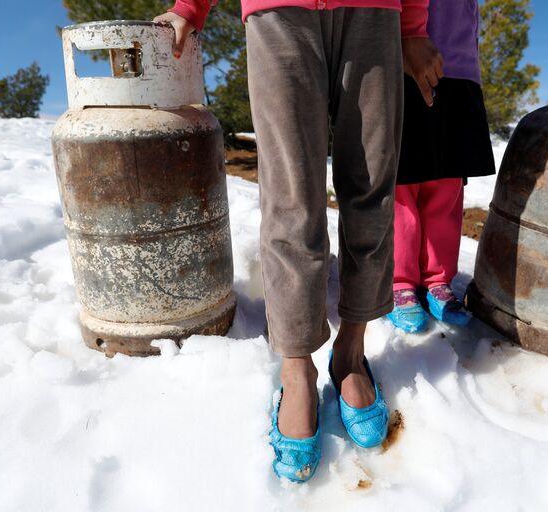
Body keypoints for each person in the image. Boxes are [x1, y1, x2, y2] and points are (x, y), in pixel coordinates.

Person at [156, 0, 441, 483]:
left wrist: (412, 26)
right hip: (278, 11)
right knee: (291, 196)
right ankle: (296, 368)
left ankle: (350, 352)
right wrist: (190, 5)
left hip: (375, 13)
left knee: (371, 186)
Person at [386, 0, 496, 333]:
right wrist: (408, 35)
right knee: (401, 184)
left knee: (447, 182)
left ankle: (437, 277)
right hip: (406, 55)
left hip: (461, 70)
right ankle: (399, 281)